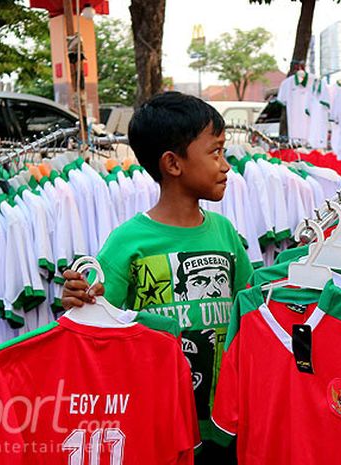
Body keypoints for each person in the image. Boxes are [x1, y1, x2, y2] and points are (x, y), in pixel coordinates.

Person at [61, 92, 253, 464]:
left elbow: (248, 310)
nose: (226, 166)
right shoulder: (127, 242)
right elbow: (98, 322)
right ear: (173, 164)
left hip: (225, 418)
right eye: (215, 152)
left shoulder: (226, 233)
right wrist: (79, 298)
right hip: (160, 418)